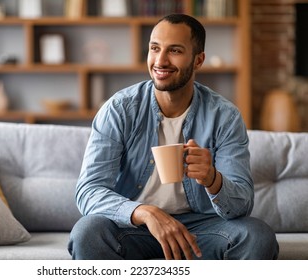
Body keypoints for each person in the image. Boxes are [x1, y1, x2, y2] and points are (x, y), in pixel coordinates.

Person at [68, 13, 279, 260]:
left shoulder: (225, 116)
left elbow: (242, 205)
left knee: (257, 236)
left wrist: (212, 178)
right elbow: (89, 190)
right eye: (154, 48)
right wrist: (145, 212)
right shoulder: (119, 109)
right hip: (135, 228)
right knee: (87, 232)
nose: (160, 60)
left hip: (202, 230)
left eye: (175, 51)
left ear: (198, 60)